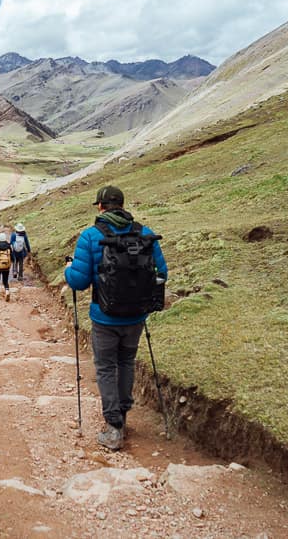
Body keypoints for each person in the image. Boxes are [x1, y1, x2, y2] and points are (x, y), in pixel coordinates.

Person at [64, 185, 167, 451]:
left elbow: (78, 281)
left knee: (106, 367)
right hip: (136, 317)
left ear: (100, 207)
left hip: (104, 317)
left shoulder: (90, 236)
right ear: (122, 204)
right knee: (127, 362)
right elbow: (162, 273)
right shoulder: (144, 233)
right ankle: (122, 415)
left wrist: (67, 270)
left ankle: (113, 426)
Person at [0, 231, 12, 300]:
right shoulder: (8, 246)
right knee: (5, 280)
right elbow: (12, 256)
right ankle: (7, 290)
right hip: (6, 266)